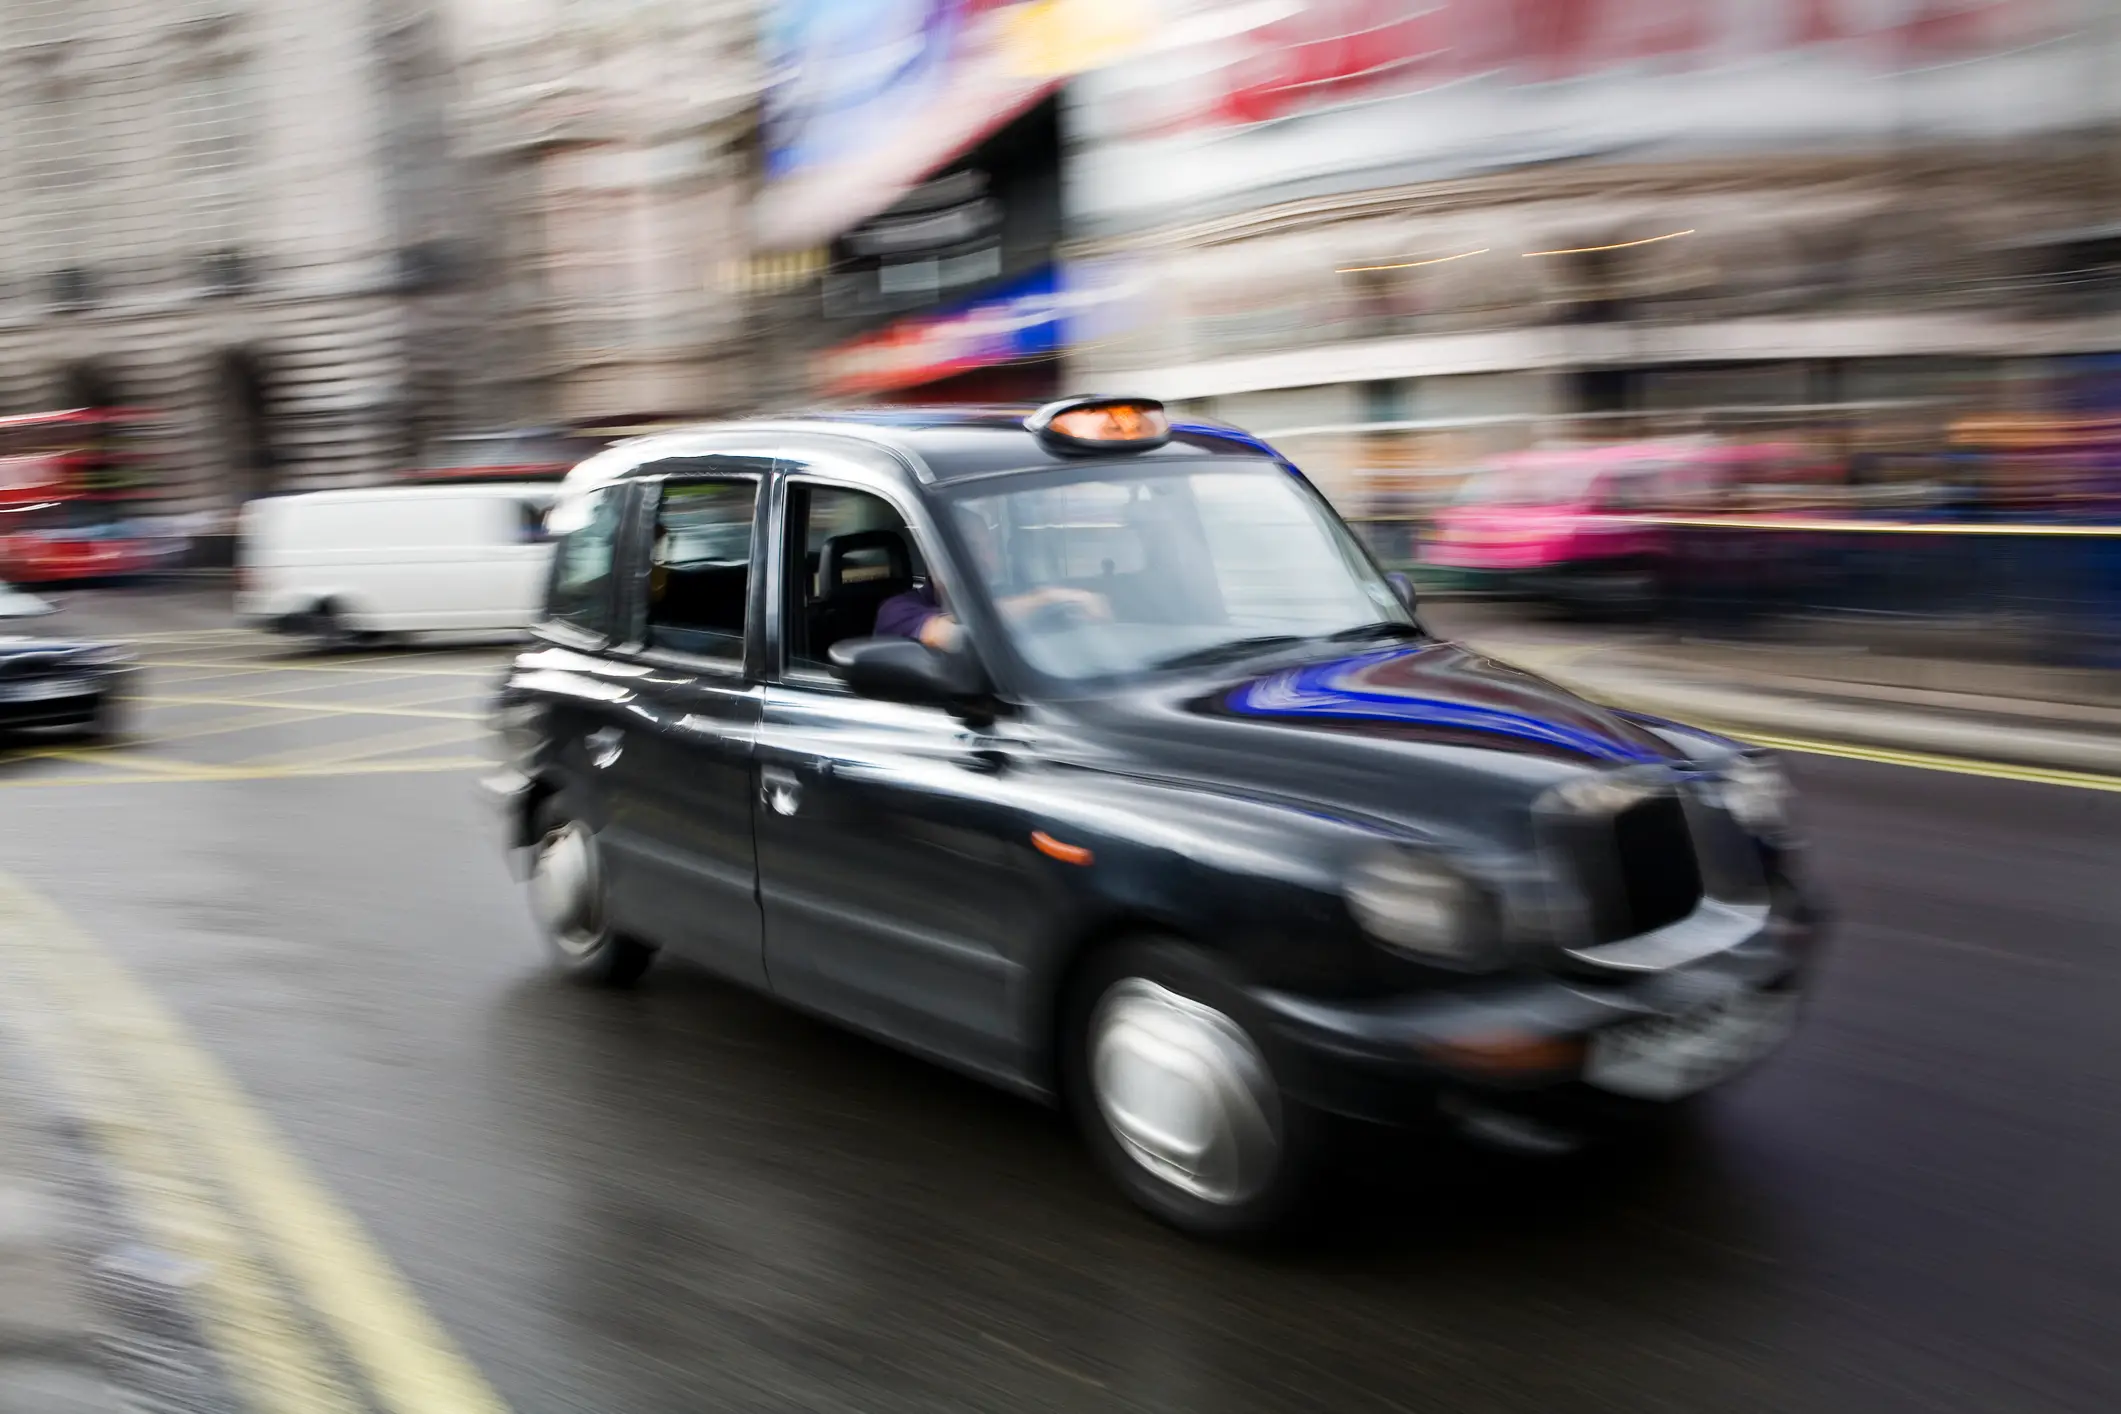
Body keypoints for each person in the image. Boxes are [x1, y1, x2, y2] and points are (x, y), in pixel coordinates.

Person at [873, 512, 1108, 650]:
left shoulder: (1012, 596)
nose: (986, 558)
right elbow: (950, 637)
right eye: (973, 548)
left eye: (990, 547)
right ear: (935, 556)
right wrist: (1046, 598)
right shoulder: (897, 611)